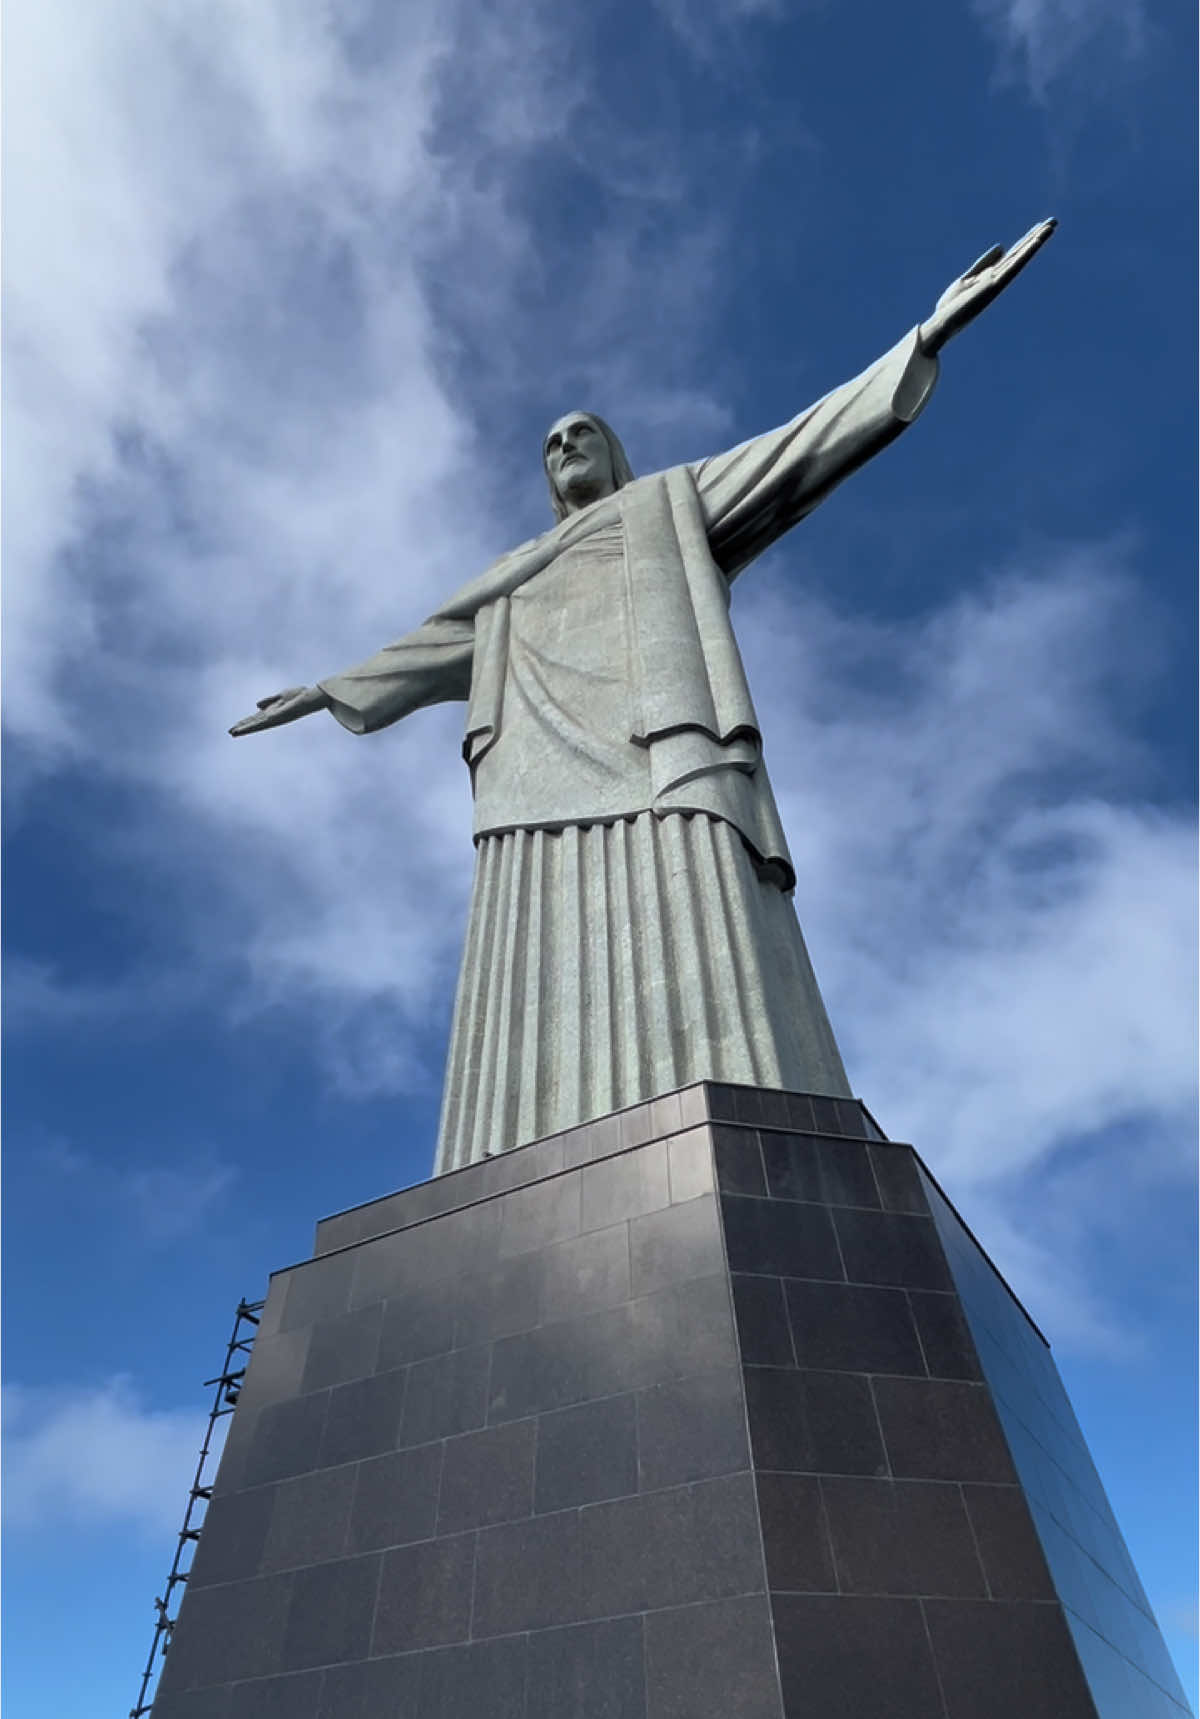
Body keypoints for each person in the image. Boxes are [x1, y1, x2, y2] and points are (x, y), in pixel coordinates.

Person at [232, 221, 1056, 1172]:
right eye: (550, 442)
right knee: (532, 958)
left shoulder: (670, 503)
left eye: (583, 432)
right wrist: (323, 692)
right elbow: (427, 648)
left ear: (615, 454)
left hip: (664, 745)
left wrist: (924, 337)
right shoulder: (510, 576)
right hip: (531, 780)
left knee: (703, 922)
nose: (565, 445)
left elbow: (797, 450)